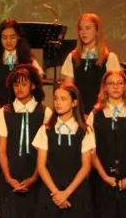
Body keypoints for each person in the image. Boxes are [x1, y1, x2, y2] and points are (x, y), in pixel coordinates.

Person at [87, 70, 126, 218]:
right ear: (105, 88)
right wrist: (105, 177)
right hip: (103, 183)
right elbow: (92, 151)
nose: (115, 87)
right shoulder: (95, 116)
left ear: (125, 87)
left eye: (119, 83)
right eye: (111, 83)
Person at [0, 64, 50, 218]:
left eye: (24, 84)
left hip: (37, 177)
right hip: (10, 177)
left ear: (32, 86)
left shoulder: (44, 113)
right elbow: (2, 150)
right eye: (16, 84)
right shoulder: (4, 113)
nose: (19, 88)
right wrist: (8, 178)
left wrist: (34, 177)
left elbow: (45, 152)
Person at [32, 84, 95, 218]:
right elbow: (41, 166)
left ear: (74, 102)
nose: (58, 102)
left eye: (63, 99)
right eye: (55, 99)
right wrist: (56, 193)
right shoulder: (46, 130)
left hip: (76, 192)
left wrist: (66, 193)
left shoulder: (85, 131)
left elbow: (86, 167)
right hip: (50, 192)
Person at [60, 13, 121, 112]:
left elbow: (114, 90)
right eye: (81, 29)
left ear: (97, 31)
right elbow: (68, 91)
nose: (83, 32)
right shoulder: (72, 57)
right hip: (79, 113)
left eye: (88, 28)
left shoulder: (109, 58)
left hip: (102, 111)